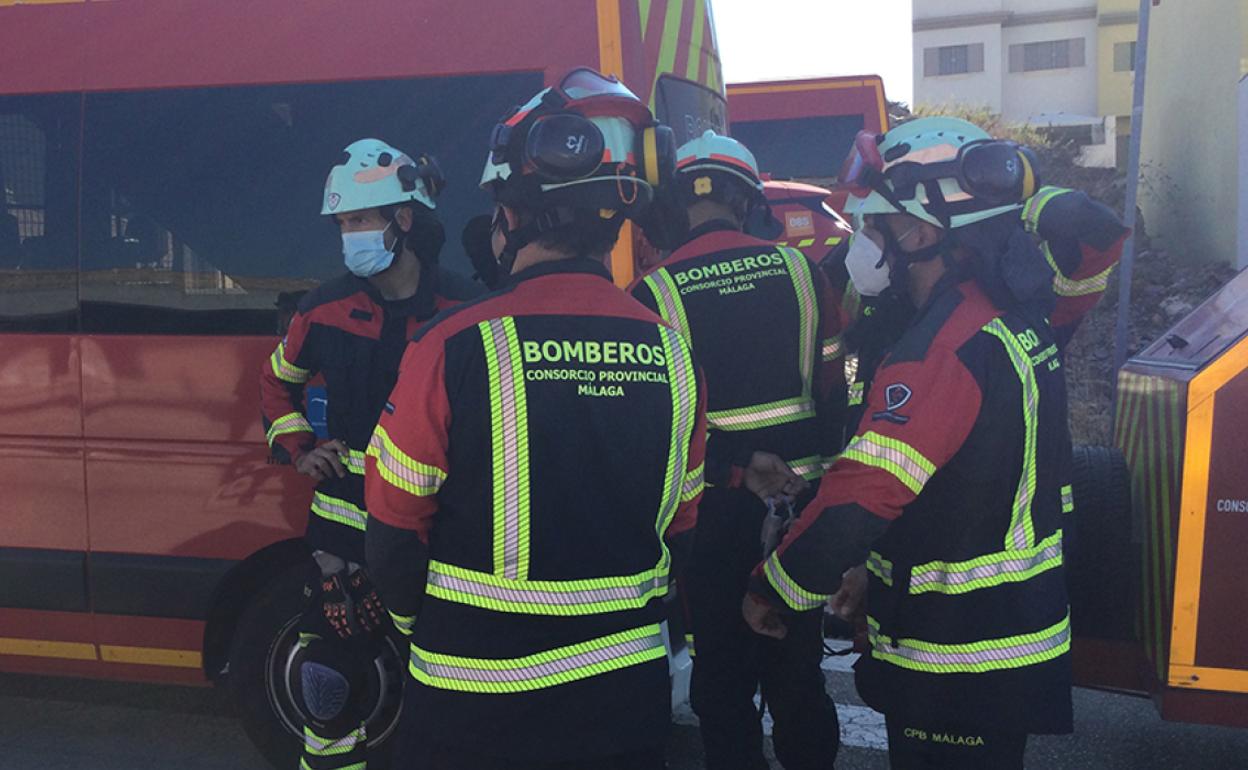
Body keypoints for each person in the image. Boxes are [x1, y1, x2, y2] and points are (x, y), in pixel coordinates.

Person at [363, 68, 705, 770]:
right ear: (612, 217)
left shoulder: (454, 343)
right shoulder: (673, 350)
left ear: (510, 217)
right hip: (625, 701)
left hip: (472, 702)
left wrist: (412, 625)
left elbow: (393, 530)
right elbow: (682, 526)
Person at [743, 117, 1075, 769]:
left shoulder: (941, 350)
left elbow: (863, 497)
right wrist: (876, 574)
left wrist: (772, 586)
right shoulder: (1009, 318)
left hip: (955, 653)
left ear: (921, 231)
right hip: (1004, 639)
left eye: (875, 224)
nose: (863, 242)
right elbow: (961, 485)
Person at [259, 138, 479, 770]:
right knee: (325, 683)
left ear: (402, 221)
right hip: (344, 530)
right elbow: (277, 382)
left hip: (438, 538)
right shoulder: (324, 308)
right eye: (342, 224)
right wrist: (298, 446)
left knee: (443, 695)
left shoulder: (464, 311)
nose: (348, 235)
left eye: (359, 220)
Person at [629, 130, 844, 770]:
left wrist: (727, 468)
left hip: (713, 518)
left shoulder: (654, 293)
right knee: (799, 674)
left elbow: (660, 430)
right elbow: (837, 388)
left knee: (722, 680)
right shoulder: (804, 272)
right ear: (752, 202)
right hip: (799, 515)